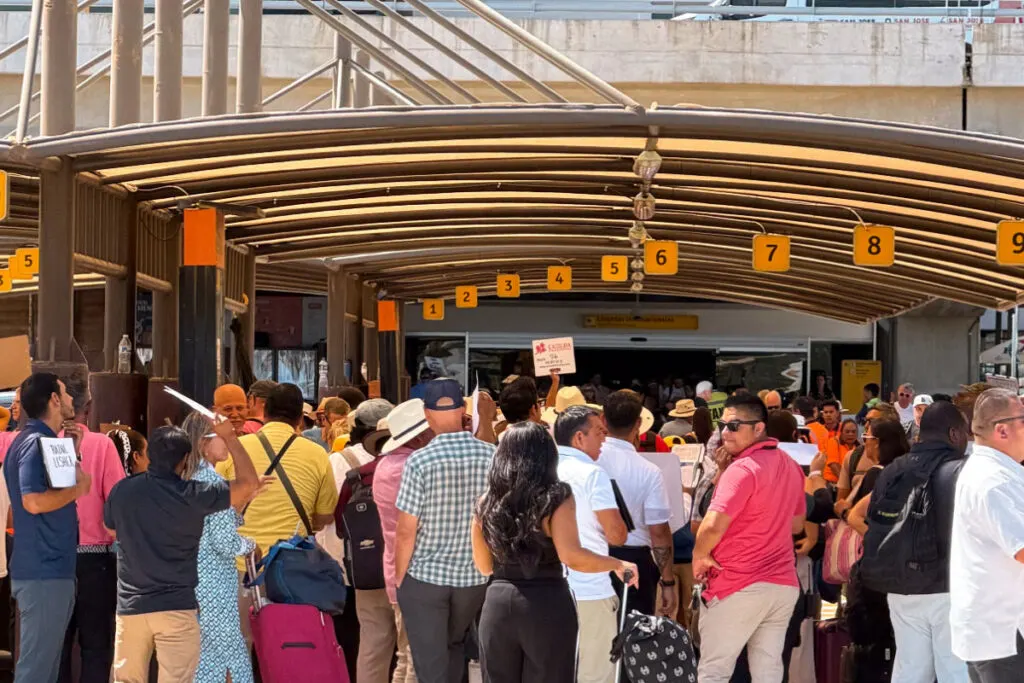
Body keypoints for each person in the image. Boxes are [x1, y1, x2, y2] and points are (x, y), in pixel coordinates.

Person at [472, 422, 637, 683]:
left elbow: (483, 566)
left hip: (498, 602)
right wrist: (616, 563)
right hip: (545, 602)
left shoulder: (485, 502)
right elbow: (571, 556)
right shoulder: (555, 496)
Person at [104, 421, 260, 683]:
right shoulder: (195, 494)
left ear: (150, 455)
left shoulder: (122, 490)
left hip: (131, 607)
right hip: (176, 607)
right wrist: (231, 439)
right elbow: (249, 483)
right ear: (185, 458)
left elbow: (110, 531)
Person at [691, 393, 805, 683]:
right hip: (781, 585)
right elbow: (796, 524)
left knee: (713, 672)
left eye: (735, 425)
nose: (725, 432)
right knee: (768, 672)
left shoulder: (741, 469)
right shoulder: (790, 465)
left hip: (737, 583)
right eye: (723, 425)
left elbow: (713, 524)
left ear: (758, 428)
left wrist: (699, 555)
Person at [861, 401, 969, 683]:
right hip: (947, 586)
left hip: (899, 587)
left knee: (910, 669)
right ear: (955, 434)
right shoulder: (960, 470)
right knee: (955, 670)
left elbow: (872, 518)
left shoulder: (893, 469)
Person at [395, 379, 494, 683]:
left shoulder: (420, 460)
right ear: (463, 409)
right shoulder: (491, 454)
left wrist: (400, 577)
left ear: (426, 415)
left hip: (426, 577)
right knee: (454, 651)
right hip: (474, 577)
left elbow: (406, 529)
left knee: (430, 663)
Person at [5, 373, 92, 683]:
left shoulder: (44, 441)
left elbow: (60, 487)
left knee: (44, 669)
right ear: (55, 400)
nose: (71, 399)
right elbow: (33, 502)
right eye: (66, 393)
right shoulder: (34, 442)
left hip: (52, 571)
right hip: (44, 573)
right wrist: (79, 490)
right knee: (36, 671)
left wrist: (73, 451)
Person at [949, 388, 1024, 682]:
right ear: (1002, 430)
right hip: (1002, 633)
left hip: (996, 630)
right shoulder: (993, 480)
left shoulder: (997, 471)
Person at [57, 369, 126, 683]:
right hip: (95, 559)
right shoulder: (103, 445)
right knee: (96, 646)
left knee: (55, 645)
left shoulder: (43, 442)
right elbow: (118, 502)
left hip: (53, 557)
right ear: (89, 406)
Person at [181, 412, 261, 683]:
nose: (229, 441)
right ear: (204, 443)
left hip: (190, 579)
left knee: (204, 656)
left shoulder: (186, 477)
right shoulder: (212, 481)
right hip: (215, 582)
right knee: (229, 657)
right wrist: (251, 545)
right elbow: (224, 542)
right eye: (223, 437)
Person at [553, 406, 628, 683]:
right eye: (599, 433)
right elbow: (616, 535)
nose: (604, 439)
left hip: (550, 590)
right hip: (590, 589)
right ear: (579, 439)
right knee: (595, 673)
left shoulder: (542, 470)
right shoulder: (592, 473)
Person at [333, 399, 399, 683]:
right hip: (408, 572)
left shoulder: (356, 476)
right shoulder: (418, 468)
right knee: (409, 651)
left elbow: (339, 525)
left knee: (372, 644)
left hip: (367, 570)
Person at [597, 390, 676, 619]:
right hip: (635, 560)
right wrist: (668, 580)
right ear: (639, 424)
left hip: (591, 554)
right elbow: (659, 531)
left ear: (602, 419)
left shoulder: (586, 460)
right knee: (635, 639)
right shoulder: (649, 471)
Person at [374, 400, 434, 683]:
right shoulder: (411, 466)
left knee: (406, 655)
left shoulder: (387, 464)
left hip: (396, 569)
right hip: (416, 572)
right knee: (416, 659)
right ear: (420, 436)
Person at [836, 402, 899, 500]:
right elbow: (840, 501)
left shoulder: (902, 458)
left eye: (871, 421)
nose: (866, 426)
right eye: (866, 421)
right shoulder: (853, 457)